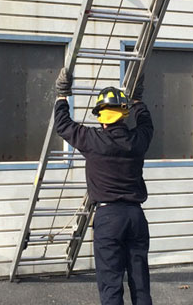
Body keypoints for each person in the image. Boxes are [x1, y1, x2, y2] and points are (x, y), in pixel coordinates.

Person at [53, 68, 154, 305]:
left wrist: (61, 94)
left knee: (110, 283)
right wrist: (137, 98)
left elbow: (63, 124)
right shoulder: (138, 140)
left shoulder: (92, 140)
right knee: (140, 282)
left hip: (109, 217)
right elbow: (146, 123)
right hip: (136, 217)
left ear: (101, 116)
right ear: (123, 114)